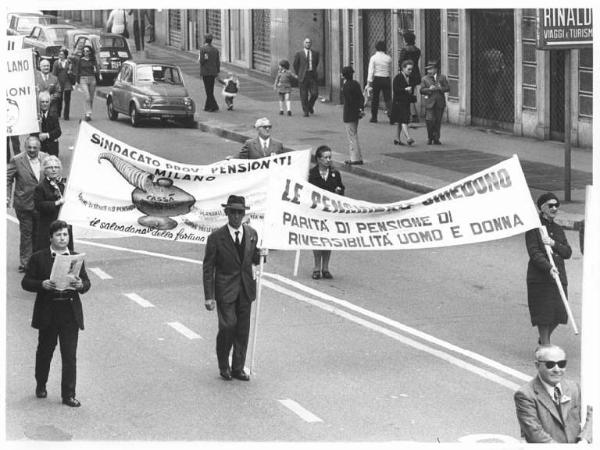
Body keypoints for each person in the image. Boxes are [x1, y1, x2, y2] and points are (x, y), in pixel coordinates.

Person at [22, 220, 91, 408]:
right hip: (48, 310)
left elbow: (86, 283)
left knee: (69, 355)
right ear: (50, 237)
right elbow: (26, 282)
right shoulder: (39, 257)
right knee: (45, 351)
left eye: (66, 235)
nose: (63, 238)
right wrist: (41, 284)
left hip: (69, 311)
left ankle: (68, 394)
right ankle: (41, 384)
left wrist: (80, 285)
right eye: (59, 235)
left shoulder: (76, 257)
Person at [203, 195, 262, 381]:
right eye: (233, 212)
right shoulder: (216, 238)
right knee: (228, 326)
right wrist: (209, 296)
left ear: (244, 214)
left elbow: (252, 258)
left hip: (245, 289)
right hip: (225, 290)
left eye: (240, 212)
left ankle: (238, 367)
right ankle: (223, 364)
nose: (237, 216)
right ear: (226, 212)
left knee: (242, 330)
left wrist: (262, 255)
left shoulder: (252, 234)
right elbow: (208, 268)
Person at [514, 345, 593, 443]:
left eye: (562, 364)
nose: (557, 369)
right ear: (537, 365)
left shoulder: (574, 388)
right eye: (550, 364)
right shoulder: (525, 395)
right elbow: (534, 433)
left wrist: (584, 440)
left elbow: (592, 415)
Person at [525, 192, 572, 345]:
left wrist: (553, 243)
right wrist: (548, 267)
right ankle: (545, 344)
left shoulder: (558, 229)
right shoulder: (534, 228)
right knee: (543, 313)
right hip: (541, 277)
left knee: (560, 312)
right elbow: (534, 252)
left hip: (559, 275)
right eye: (550, 205)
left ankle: (544, 339)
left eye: (556, 205)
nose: (554, 208)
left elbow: (567, 252)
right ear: (542, 208)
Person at [7, 135, 48, 272]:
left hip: (41, 204)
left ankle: (37, 262)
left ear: (39, 148)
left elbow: (52, 175)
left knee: (39, 233)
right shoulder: (17, 160)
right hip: (24, 204)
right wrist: (6, 196)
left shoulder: (45, 158)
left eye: (34, 148)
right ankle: (26, 264)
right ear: (25, 147)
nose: (31, 150)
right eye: (29, 147)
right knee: (26, 234)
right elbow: (8, 178)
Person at [308, 146, 345, 279]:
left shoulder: (335, 173)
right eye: (326, 157)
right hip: (317, 212)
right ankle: (317, 267)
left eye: (330, 157)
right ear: (318, 159)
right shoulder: (311, 174)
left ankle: (326, 268)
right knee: (318, 239)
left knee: (328, 240)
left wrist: (339, 191)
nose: (328, 160)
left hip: (330, 213)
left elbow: (341, 190)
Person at [34, 156, 74, 252]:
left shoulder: (63, 184)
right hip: (48, 224)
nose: (53, 169)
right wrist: (56, 203)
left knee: (65, 251)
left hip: (64, 223)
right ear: (44, 170)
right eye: (50, 167)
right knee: (48, 252)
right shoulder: (41, 186)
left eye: (56, 167)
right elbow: (39, 205)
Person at [420, 60, 449, 145]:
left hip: (439, 102)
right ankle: (430, 137)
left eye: (430, 69)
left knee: (438, 121)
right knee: (429, 120)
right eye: (428, 69)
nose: (428, 71)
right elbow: (421, 90)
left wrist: (441, 88)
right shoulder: (425, 79)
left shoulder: (442, 77)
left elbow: (447, 88)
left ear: (436, 69)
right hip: (430, 102)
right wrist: (429, 89)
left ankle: (436, 138)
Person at [340, 66, 364, 166]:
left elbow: (349, 101)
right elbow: (361, 97)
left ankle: (355, 158)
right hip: (356, 113)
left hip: (349, 113)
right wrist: (360, 109)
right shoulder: (356, 84)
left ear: (344, 75)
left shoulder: (345, 86)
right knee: (354, 134)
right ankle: (357, 157)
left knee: (352, 136)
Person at [390, 59, 416, 146]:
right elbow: (395, 90)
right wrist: (405, 89)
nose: (410, 71)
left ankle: (397, 139)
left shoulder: (410, 78)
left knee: (400, 121)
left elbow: (411, 90)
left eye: (411, 69)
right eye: (409, 69)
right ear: (403, 68)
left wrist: (411, 95)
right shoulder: (398, 78)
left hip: (406, 102)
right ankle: (408, 138)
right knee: (404, 120)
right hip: (399, 102)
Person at [366, 40, 392, 124]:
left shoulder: (373, 58)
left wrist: (369, 83)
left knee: (375, 99)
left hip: (377, 79)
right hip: (386, 78)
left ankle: (374, 117)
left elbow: (371, 71)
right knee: (388, 99)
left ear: (376, 48)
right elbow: (390, 69)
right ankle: (391, 117)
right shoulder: (388, 58)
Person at [73, 45, 101, 121]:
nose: (85, 52)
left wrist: (97, 72)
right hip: (83, 79)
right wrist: (76, 81)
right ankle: (87, 112)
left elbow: (97, 68)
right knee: (87, 96)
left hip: (92, 79)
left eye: (87, 51)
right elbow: (77, 71)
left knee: (91, 98)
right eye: (84, 51)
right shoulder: (80, 60)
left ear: (90, 52)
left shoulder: (93, 60)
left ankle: (88, 114)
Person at [293, 37, 320, 117]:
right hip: (303, 76)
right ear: (303, 43)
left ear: (311, 44)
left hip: (312, 75)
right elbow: (295, 64)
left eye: (309, 42)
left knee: (315, 93)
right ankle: (305, 111)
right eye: (306, 42)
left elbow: (316, 63)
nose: (308, 44)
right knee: (304, 95)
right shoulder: (299, 53)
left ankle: (310, 106)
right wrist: (299, 74)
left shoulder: (315, 53)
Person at [399, 31, 422, 123]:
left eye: (404, 39)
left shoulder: (404, 50)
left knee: (408, 94)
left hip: (407, 74)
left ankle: (412, 114)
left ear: (406, 40)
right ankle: (412, 114)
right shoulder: (417, 50)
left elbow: (401, 62)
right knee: (411, 93)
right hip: (415, 72)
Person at [198, 33, 220, 112]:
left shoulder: (203, 49)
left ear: (205, 40)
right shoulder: (215, 49)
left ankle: (212, 106)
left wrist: (201, 60)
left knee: (208, 90)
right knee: (210, 89)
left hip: (206, 72)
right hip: (213, 72)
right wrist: (217, 71)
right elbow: (218, 62)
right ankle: (208, 106)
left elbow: (202, 61)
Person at [51, 48, 74, 120]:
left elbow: (73, 71)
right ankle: (58, 113)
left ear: (65, 55)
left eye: (62, 54)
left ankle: (66, 115)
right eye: (59, 54)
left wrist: (70, 72)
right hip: (59, 82)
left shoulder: (69, 62)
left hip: (67, 82)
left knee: (67, 100)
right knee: (59, 99)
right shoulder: (56, 63)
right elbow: (54, 74)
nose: (60, 56)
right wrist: (54, 83)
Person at [37, 91, 61, 157]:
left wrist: (47, 135)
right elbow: (32, 133)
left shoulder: (54, 115)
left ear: (49, 103)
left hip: (52, 146)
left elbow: (58, 132)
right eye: (42, 102)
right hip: (40, 147)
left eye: (47, 102)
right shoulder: (36, 116)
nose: (45, 104)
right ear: (39, 103)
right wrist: (39, 135)